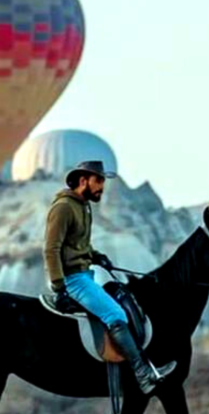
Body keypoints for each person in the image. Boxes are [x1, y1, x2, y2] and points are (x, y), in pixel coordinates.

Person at [44, 160, 176, 394]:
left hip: (86, 274)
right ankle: (143, 375)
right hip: (73, 279)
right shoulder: (63, 207)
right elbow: (51, 248)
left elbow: (78, 244)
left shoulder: (83, 206)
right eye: (99, 180)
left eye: (103, 181)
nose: (102, 187)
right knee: (115, 313)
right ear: (83, 180)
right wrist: (59, 286)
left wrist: (96, 255)